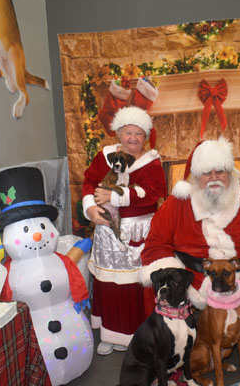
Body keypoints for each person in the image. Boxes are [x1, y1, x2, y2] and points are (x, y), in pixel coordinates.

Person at [139, 136, 240, 378]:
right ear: (195, 176)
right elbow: (157, 242)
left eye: (219, 171)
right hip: (192, 275)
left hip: (239, 273)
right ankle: (167, 348)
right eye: (206, 172)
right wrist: (175, 276)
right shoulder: (177, 202)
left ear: (229, 171)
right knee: (159, 287)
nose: (213, 177)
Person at [82, 106, 167, 356]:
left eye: (138, 134)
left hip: (138, 231)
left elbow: (154, 194)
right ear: (119, 133)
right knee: (108, 280)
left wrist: (115, 197)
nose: (132, 139)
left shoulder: (151, 161)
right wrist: (90, 209)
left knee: (135, 283)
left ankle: (134, 333)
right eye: (128, 133)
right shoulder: (105, 155)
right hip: (108, 230)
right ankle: (109, 331)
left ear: (146, 136)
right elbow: (88, 182)